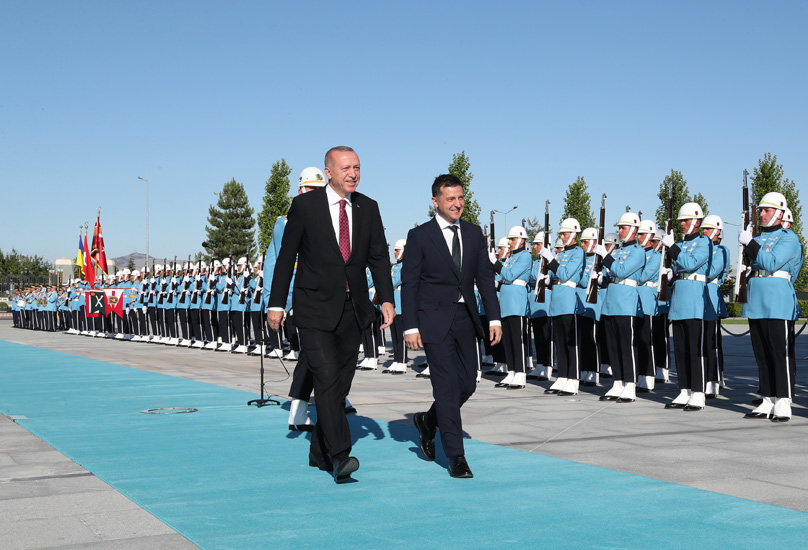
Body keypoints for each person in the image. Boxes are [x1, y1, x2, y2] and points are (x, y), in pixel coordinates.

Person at [268, 146, 395, 484]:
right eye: (345, 168)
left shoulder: (368, 208)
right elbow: (286, 258)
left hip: (352, 311)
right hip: (312, 308)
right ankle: (341, 455)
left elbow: (379, 257)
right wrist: (276, 303)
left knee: (339, 386)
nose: (352, 173)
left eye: (357, 167)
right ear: (328, 172)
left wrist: (386, 299)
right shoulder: (305, 206)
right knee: (325, 378)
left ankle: (318, 452)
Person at [403, 174, 502, 479]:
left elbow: (484, 277)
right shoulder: (420, 236)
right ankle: (456, 455)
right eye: (450, 199)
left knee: (467, 384)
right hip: (433, 321)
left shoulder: (473, 233)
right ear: (435, 201)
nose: (457, 204)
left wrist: (494, 318)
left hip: (466, 319)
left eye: (460, 197)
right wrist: (411, 327)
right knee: (445, 387)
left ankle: (429, 420)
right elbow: (410, 284)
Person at [739, 192, 802, 421]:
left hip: (777, 301)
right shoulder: (756, 237)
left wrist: (751, 244)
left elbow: (771, 261)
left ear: (779, 213)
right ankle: (767, 398)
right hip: (756, 298)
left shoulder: (789, 238)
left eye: (767, 210)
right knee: (762, 354)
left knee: (780, 353)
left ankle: (783, 401)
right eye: (761, 210)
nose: (762, 214)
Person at [661, 202, 713, 411]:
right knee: (681, 349)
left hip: (694, 300)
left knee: (695, 349)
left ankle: (698, 392)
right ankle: (684, 390)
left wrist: (673, 248)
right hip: (680, 298)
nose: (682, 224)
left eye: (685, 220)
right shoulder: (680, 244)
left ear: (697, 222)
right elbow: (677, 266)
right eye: (681, 220)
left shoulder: (704, 242)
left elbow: (691, 263)